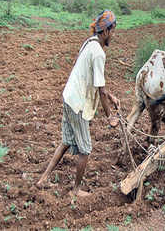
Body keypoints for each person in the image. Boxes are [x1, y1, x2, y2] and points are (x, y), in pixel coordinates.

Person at [36, 10, 120, 198]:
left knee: (66, 141)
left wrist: (111, 97)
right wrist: (110, 117)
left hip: (69, 97)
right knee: (86, 150)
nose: (113, 35)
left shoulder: (89, 43)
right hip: (78, 105)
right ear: (105, 31)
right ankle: (75, 190)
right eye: (113, 31)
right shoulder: (99, 53)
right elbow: (100, 89)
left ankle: (43, 179)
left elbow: (98, 84)